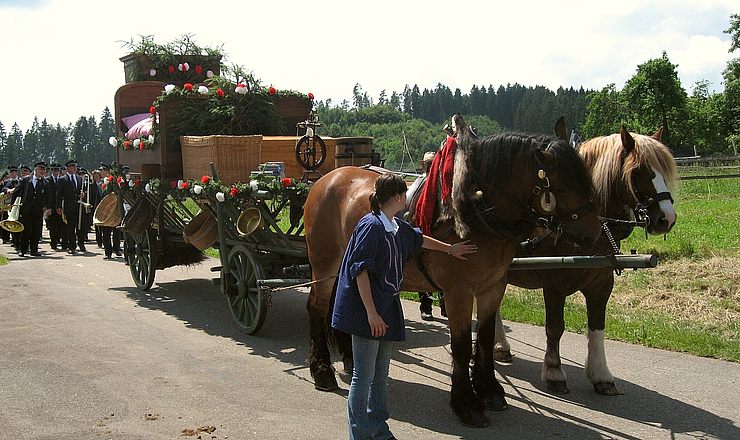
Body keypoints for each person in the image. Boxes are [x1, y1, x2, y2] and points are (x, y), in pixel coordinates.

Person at [332, 173, 477, 440]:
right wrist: (372, 314)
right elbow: (359, 271)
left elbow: (419, 239)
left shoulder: (395, 225)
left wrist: (451, 250)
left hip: (385, 307)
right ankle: (360, 434)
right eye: (405, 194)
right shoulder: (371, 226)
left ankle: (378, 428)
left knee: (380, 374)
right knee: (362, 376)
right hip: (367, 310)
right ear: (398, 197)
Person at [11, 161, 52, 257]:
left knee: (36, 231)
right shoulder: (25, 180)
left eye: (44, 170)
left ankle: (34, 250)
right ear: (35, 169)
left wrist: (49, 208)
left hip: (38, 211)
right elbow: (16, 192)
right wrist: (13, 206)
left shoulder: (45, 182)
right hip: (26, 210)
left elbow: (48, 196)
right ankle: (23, 250)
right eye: (40, 169)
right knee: (25, 231)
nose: (42, 171)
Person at [56, 159, 86, 254]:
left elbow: (82, 191)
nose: (75, 168)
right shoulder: (62, 179)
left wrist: (83, 195)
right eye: (73, 167)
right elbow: (59, 194)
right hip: (69, 206)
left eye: (75, 167)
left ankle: (81, 244)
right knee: (70, 227)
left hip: (78, 206)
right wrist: (58, 206)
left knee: (80, 226)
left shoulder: (79, 178)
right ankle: (72, 246)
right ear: (68, 168)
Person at [45, 163, 65, 250]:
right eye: (54, 170)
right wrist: (46, 207)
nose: (55, 172)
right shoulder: (47, 180)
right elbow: (46, 195)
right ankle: (53, 242)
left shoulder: (62, 180)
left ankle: (58, 239)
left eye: (57, 170)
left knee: (60, 225)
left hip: (60, 207)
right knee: (52, 226)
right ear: (51, 171)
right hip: (51, 207)